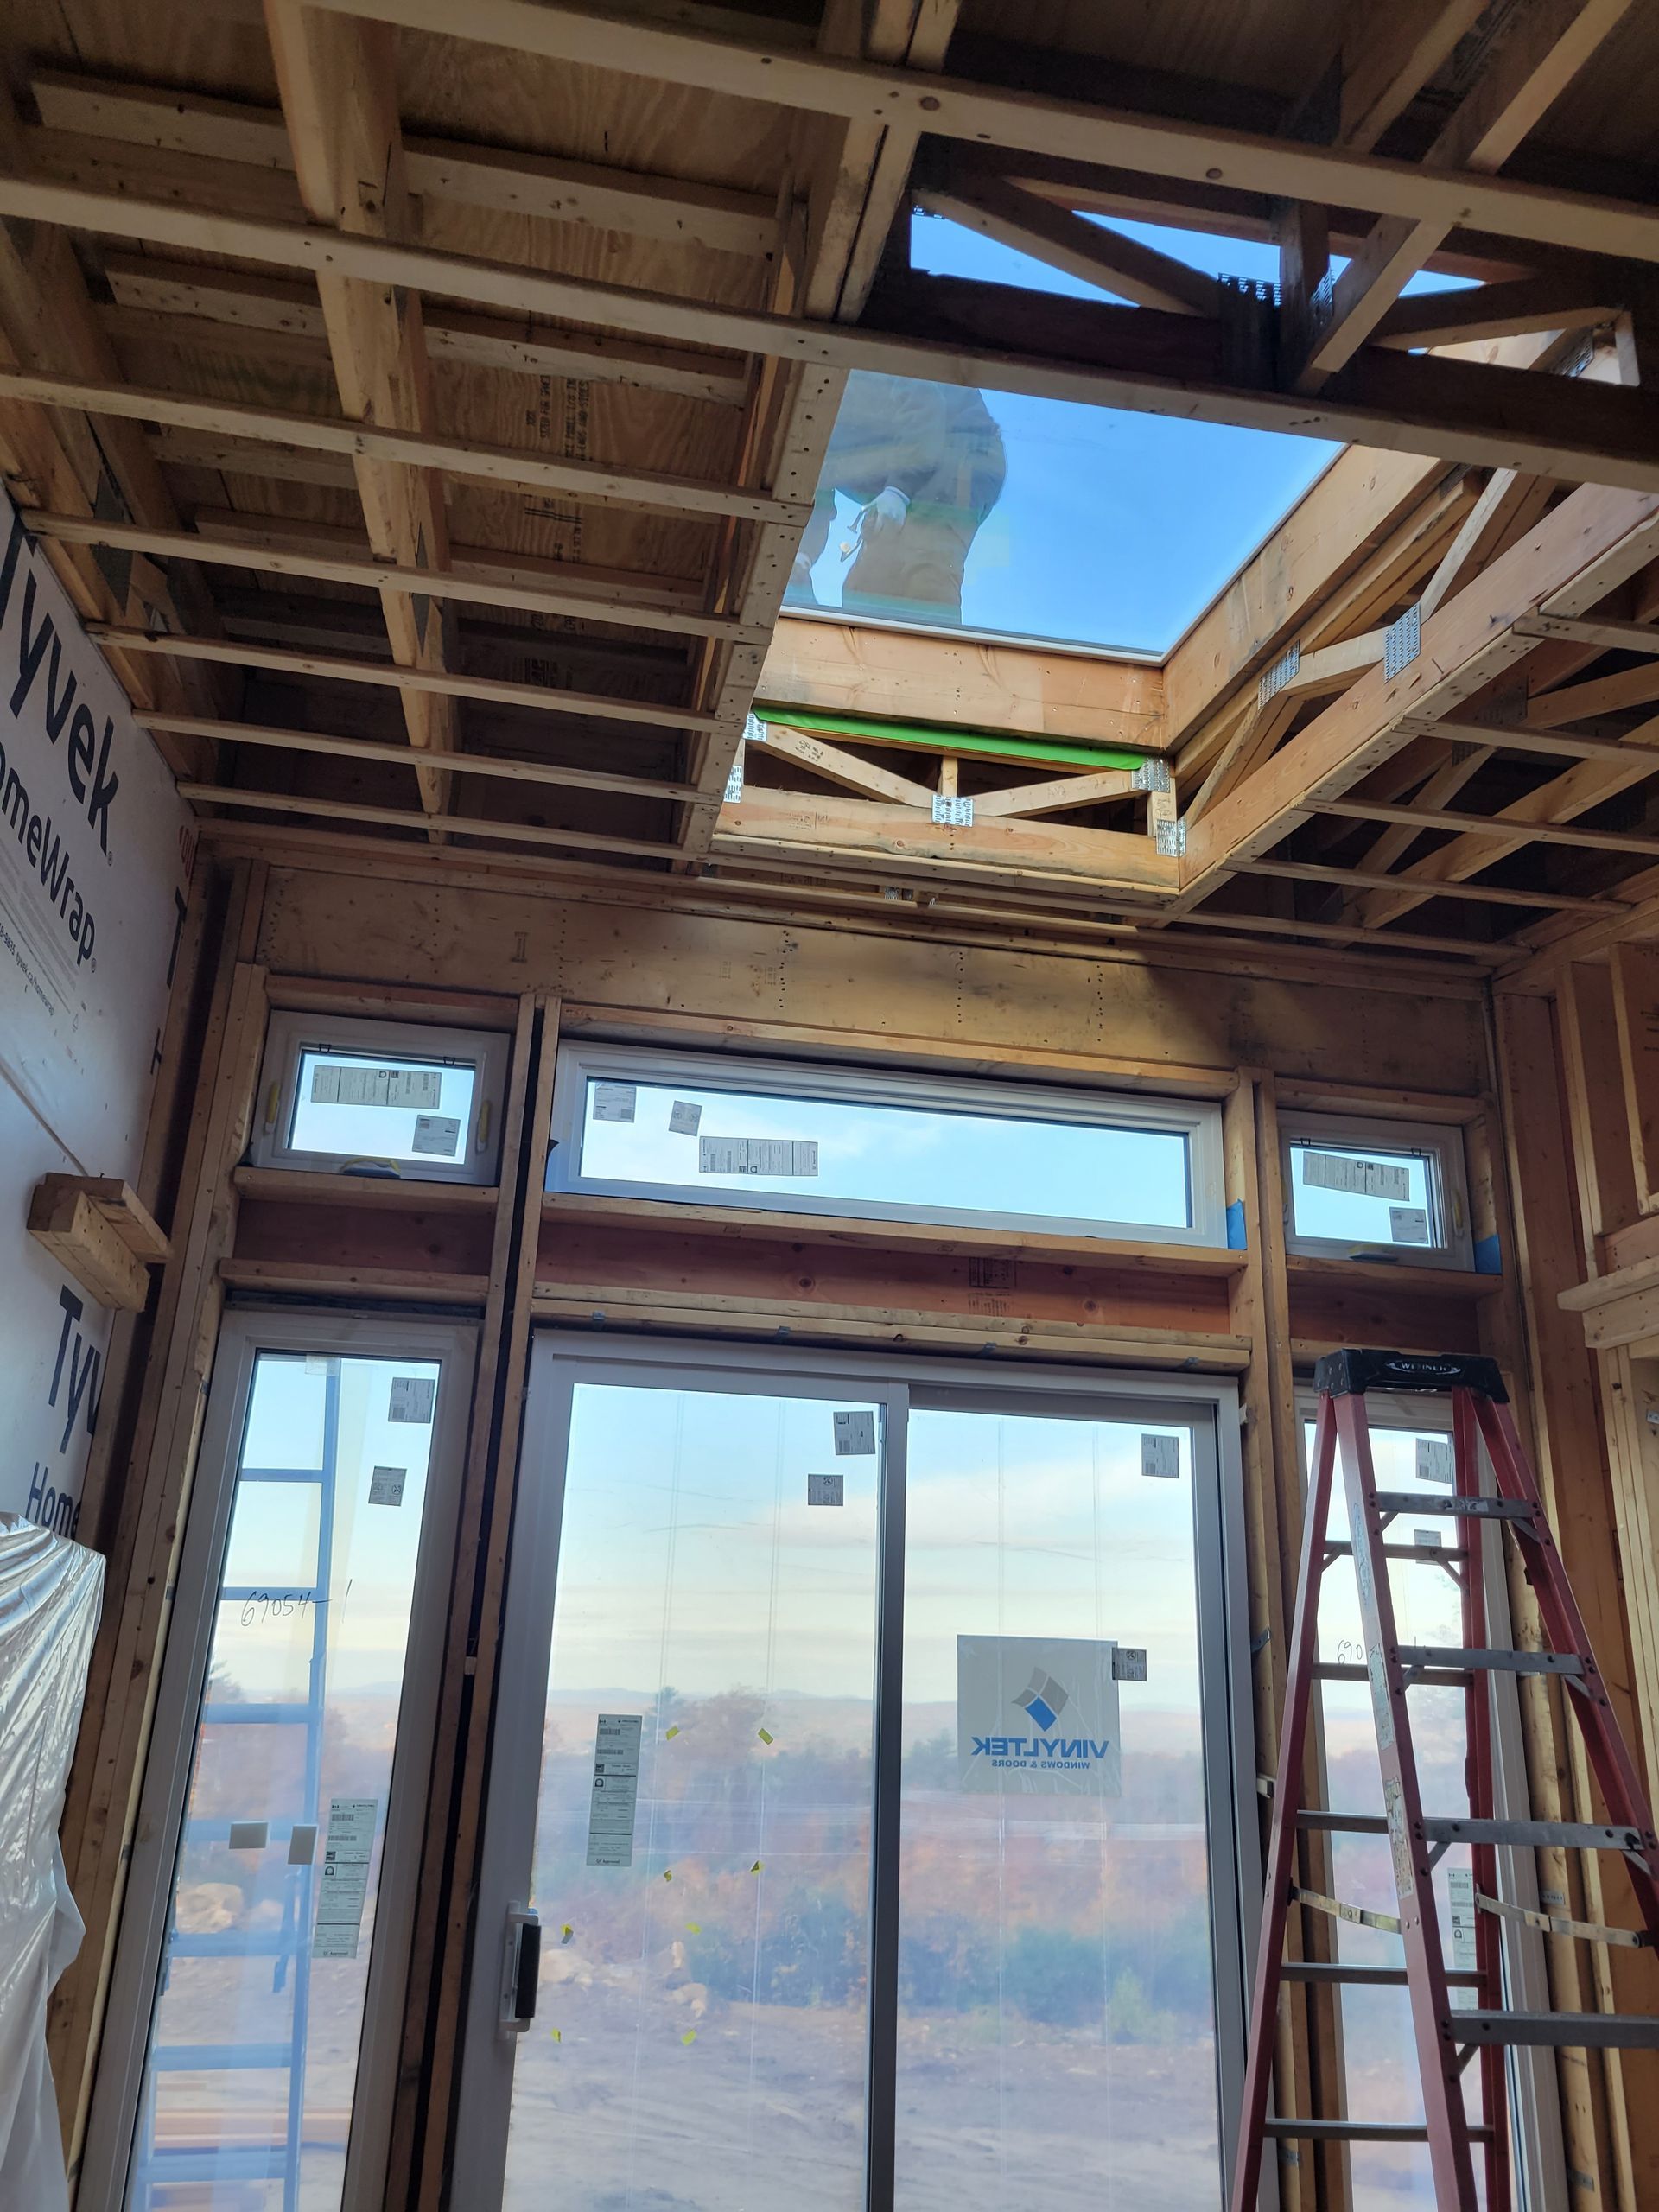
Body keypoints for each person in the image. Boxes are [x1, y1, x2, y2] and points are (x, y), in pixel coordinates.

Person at [789, 372, 1007, 629]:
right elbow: (815, 502)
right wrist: (800, 559)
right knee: (865, 590)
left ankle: (938, 658)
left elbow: (925, 411)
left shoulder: (856, 371)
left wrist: (898, 491)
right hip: (905, 467)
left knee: (922, 568)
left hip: (958, 449)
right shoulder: (801, 437)